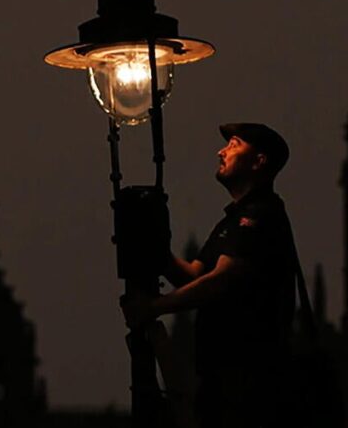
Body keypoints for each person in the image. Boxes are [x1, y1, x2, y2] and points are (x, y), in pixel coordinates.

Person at [121, 123, 298, 427]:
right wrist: (155, 245)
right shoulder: (231, 222)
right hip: (222, 381)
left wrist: (154, 307)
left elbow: (221, 281)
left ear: (258, 161)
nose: (222, 151)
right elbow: (195, 276)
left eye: (234, 144)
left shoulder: (260, 216)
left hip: (250, 386)